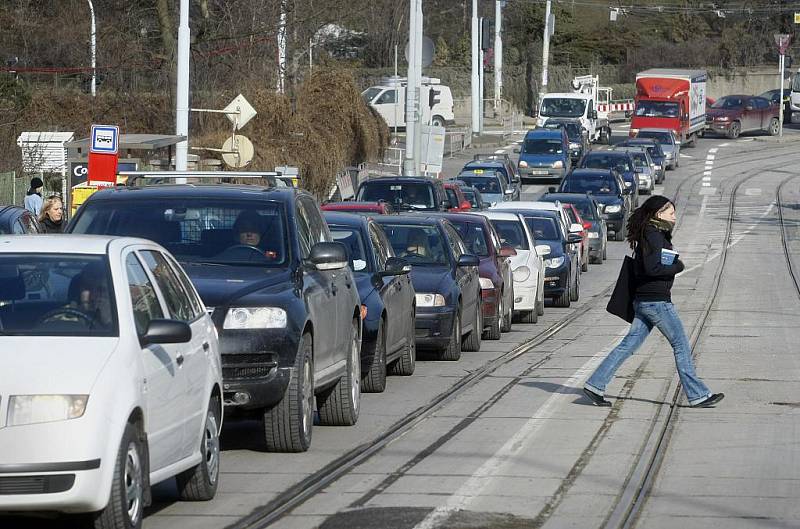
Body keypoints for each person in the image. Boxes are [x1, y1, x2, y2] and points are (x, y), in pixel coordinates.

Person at [583, 196, 724, 408]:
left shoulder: (651, 234)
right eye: (671, 213)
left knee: (628, 345)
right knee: (681, 344)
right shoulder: (653, 235)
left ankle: (595, 385)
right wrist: (678, 266)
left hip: (645, 301)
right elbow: (652, 268)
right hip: (656, 302)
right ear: (659, 214)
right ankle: (698, 395)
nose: (674, 217)